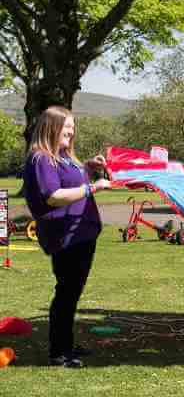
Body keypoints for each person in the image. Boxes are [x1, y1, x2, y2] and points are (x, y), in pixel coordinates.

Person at [23, 106, 111, 368]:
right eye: (66, 127)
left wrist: (87, 167)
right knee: (66, 293)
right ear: (51, 127)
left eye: (73, 127)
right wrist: (92, 187)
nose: (71, 132)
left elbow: (68, 178)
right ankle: (59, 353)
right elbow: (54, 196)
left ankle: (66, 343)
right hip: (65, 236)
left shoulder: (61, 156)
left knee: (72, 292)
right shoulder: (41, 158)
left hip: (81, 233)